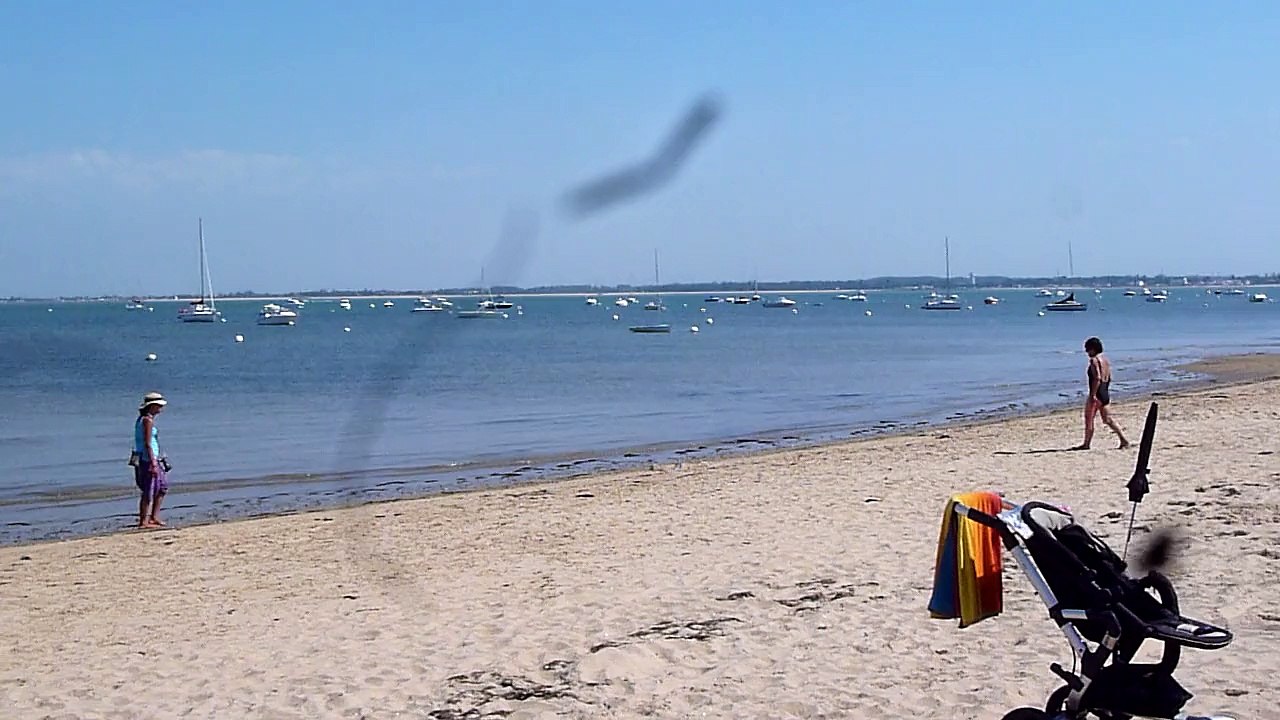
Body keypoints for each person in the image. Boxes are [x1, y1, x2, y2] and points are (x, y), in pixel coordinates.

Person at [1073, 337, 1130, 450]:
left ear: (1093, 349)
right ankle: (1124, 440)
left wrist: (1093, 394)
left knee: (1089, 418)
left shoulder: (1094, 361)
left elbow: (1097, 378)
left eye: (1088, 349)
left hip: (1097, 393)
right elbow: (1108, 377)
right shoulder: (1105, 361)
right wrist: (1104, 390)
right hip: (1104, 392)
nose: (1086, 352)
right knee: (1108, 419)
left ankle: (1086, 444)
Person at [134, 391, 169, 528]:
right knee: (149, 490)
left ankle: (154, 516)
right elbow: (147, 442)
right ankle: (144, 521)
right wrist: (153, 463)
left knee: (162, 487)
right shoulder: (146, 421)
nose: (160, 409)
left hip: (152, 458)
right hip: (148, 459)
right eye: (158, 406)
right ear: (152, 406)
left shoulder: (144, 419)